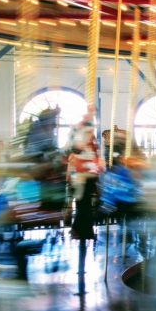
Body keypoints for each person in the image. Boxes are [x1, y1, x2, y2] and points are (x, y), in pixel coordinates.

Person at [66, 107, 103, 299]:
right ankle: (81, 227)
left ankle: (83, 227)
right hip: (81, 171)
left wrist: (96, 164)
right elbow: (76, 148)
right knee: (82, 200)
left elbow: (91, 153)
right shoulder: (82, 133)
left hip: (86, 171)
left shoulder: (90, 136)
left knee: (85, 200)